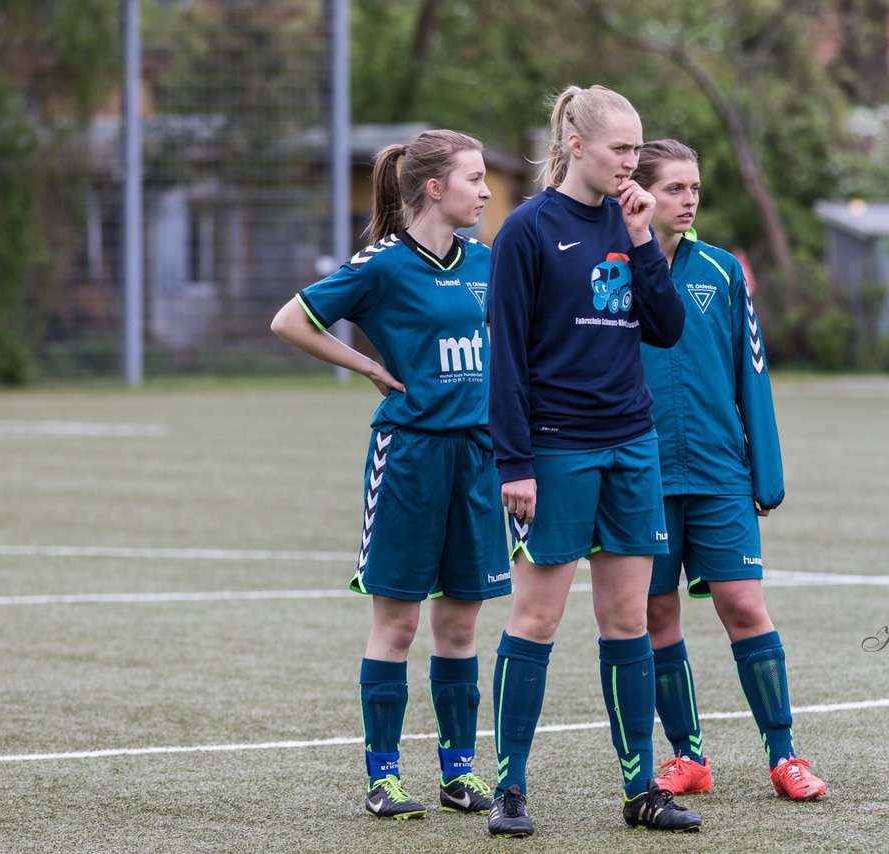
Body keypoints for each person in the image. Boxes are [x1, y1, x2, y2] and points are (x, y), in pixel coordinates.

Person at [271, 129, 509, 820]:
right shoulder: (380, 265)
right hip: (409, 456)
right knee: (398, 626)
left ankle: (460, 774)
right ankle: (384, 777)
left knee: (460, 629)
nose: (487, 191)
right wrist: (370, 366)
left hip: (477, 458)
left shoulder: (488, 263)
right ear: (435, 187)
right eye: (475, 179)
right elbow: (290, 321)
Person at [485, 85, 700, 837]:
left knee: (625, 620)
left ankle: (641, 788)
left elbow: (667, 328)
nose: (631, 163)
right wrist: (515, 463)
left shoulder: (630, 223)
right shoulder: (527, 230)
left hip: (631, 443)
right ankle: (509, 788)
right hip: (554, 447)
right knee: (537, 618)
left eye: (637, 150)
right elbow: (504, 360)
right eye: (619, 149)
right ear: (576, 143)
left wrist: (644, 243)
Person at [630, 140, 827, 802]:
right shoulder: (612, 272)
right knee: (658, 615)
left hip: (719, 474)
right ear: (641, 191)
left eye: (695, 189)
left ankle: (785, 754)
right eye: (675, 188)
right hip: (641, 475)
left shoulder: (723, 270)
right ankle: (687, 757)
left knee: (744, 604)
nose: (688, 200)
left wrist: (763, 472)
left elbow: (754, 373)